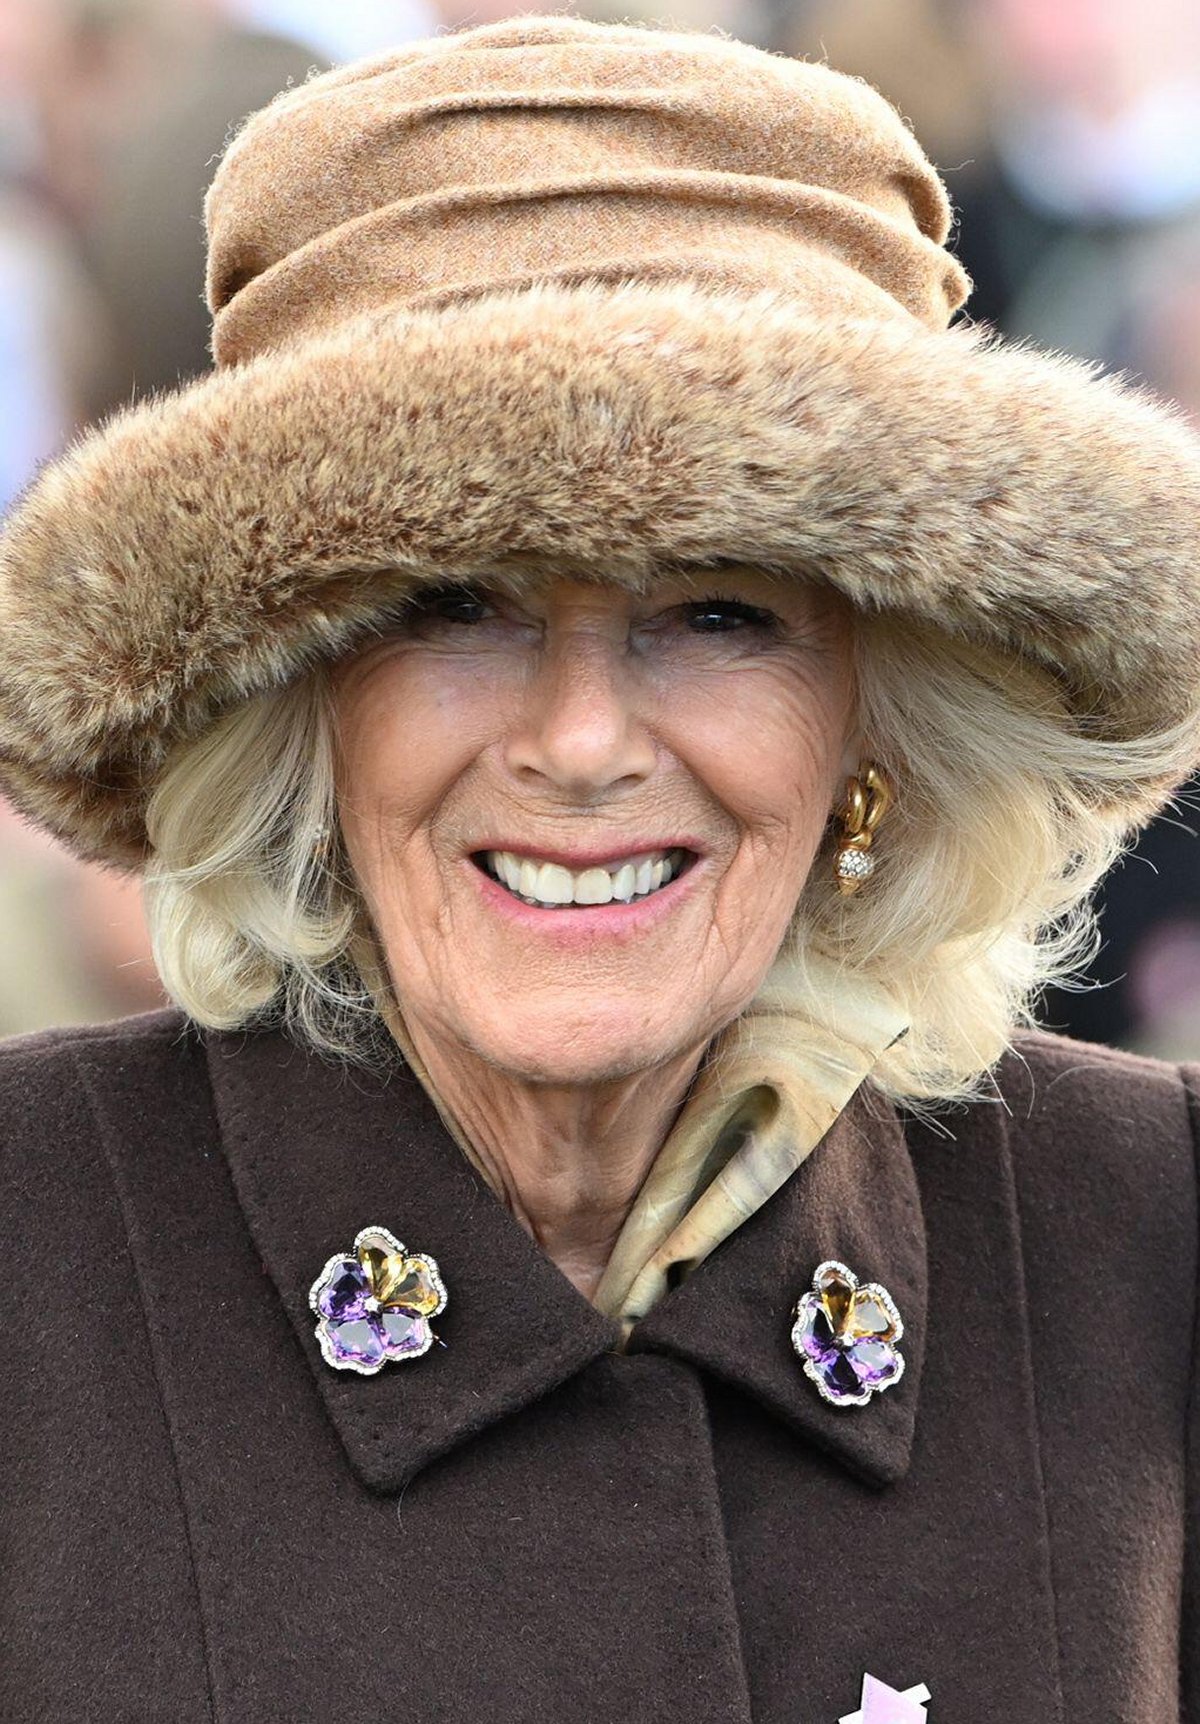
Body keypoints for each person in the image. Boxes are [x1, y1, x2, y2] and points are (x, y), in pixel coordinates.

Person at [1, 16, 1199, 1721]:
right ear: (296, 699)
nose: (580, 742)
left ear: (877, 723)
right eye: (454, 605)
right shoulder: (32, 1248)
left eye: (720, 611)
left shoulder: (1147, 1246)